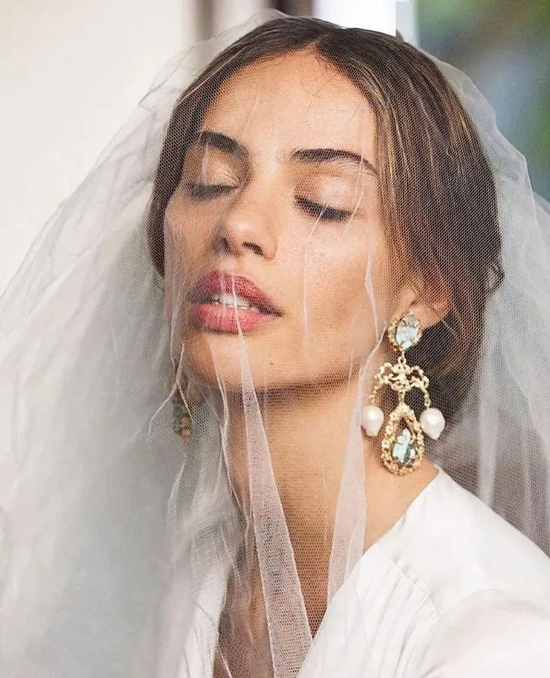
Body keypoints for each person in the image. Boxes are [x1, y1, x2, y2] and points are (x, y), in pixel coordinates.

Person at [1, 12, 550, 678]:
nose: (236, 224)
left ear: (428, 289)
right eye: (209, 181)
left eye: (321, 202)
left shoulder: (496, 637)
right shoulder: (192, 572)